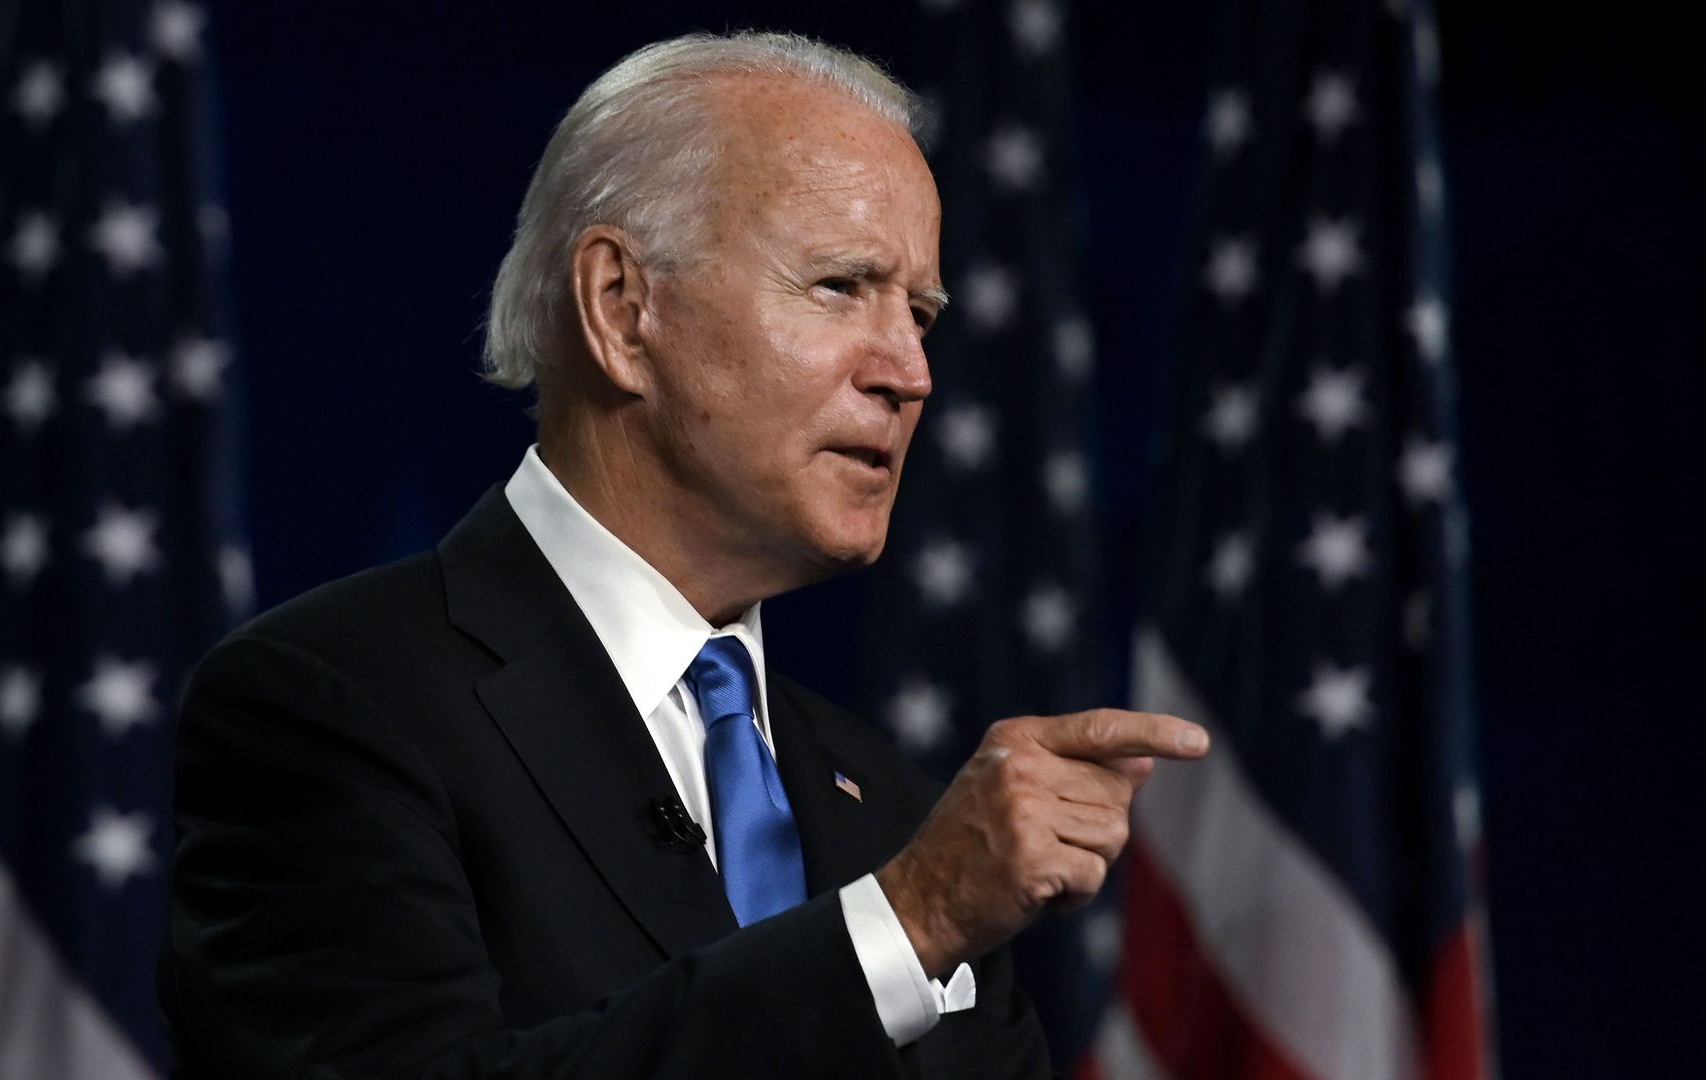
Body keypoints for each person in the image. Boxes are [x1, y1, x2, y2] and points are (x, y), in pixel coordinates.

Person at [159, 31, 1208, 1079]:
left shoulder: (892, 809)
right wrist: (905, 926)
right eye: (841, 285)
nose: (909, 371)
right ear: (622, 309)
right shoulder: (333, 705)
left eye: (921, 312)